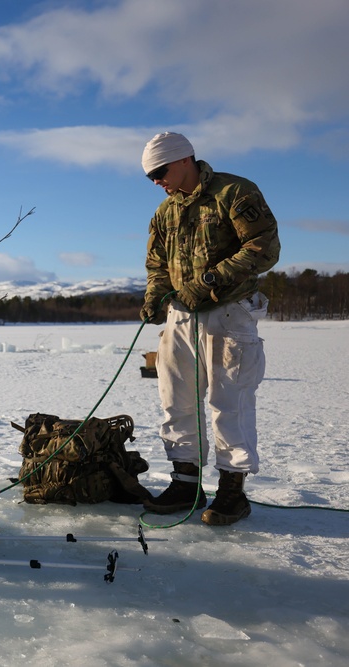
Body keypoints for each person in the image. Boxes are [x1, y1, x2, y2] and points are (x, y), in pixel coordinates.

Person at [139, 131, 280, 526]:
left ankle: (232, 492)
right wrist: (156, 295)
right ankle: (186, 482)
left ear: (184, 160)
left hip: (228, 312)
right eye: (149, 176)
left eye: (160, 171)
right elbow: (156, 266)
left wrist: (212, 279)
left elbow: (264, 247)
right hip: (181, 316)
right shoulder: (165, 212)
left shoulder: (234, 192)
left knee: (228, 403)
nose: (156, 181)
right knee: (176, 399)